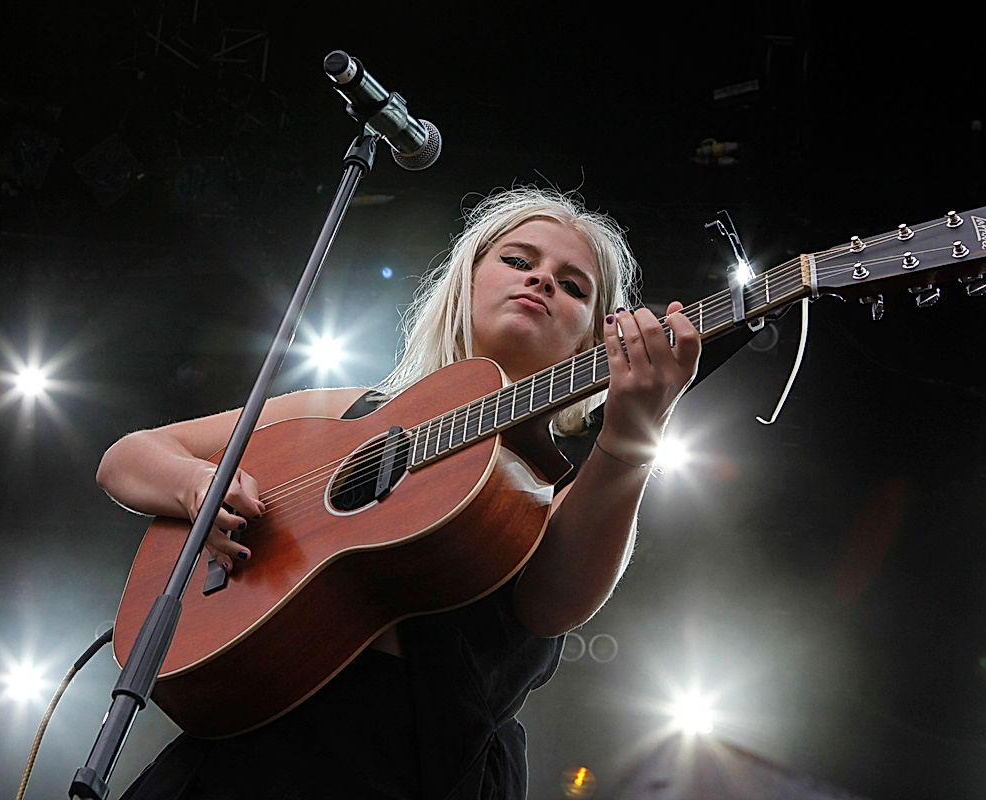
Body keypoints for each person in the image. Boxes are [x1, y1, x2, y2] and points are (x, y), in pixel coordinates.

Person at [97, 186, 702, 799]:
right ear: (465, 283)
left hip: (416, 767)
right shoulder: (345, 412)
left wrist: (632, 436)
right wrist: (200, 486)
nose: (544, 280)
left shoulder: (568, 476)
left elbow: (552, 605)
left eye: (574, 286)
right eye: (519, 261)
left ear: (592, 343)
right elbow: (129, 456)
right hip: (241, 753)